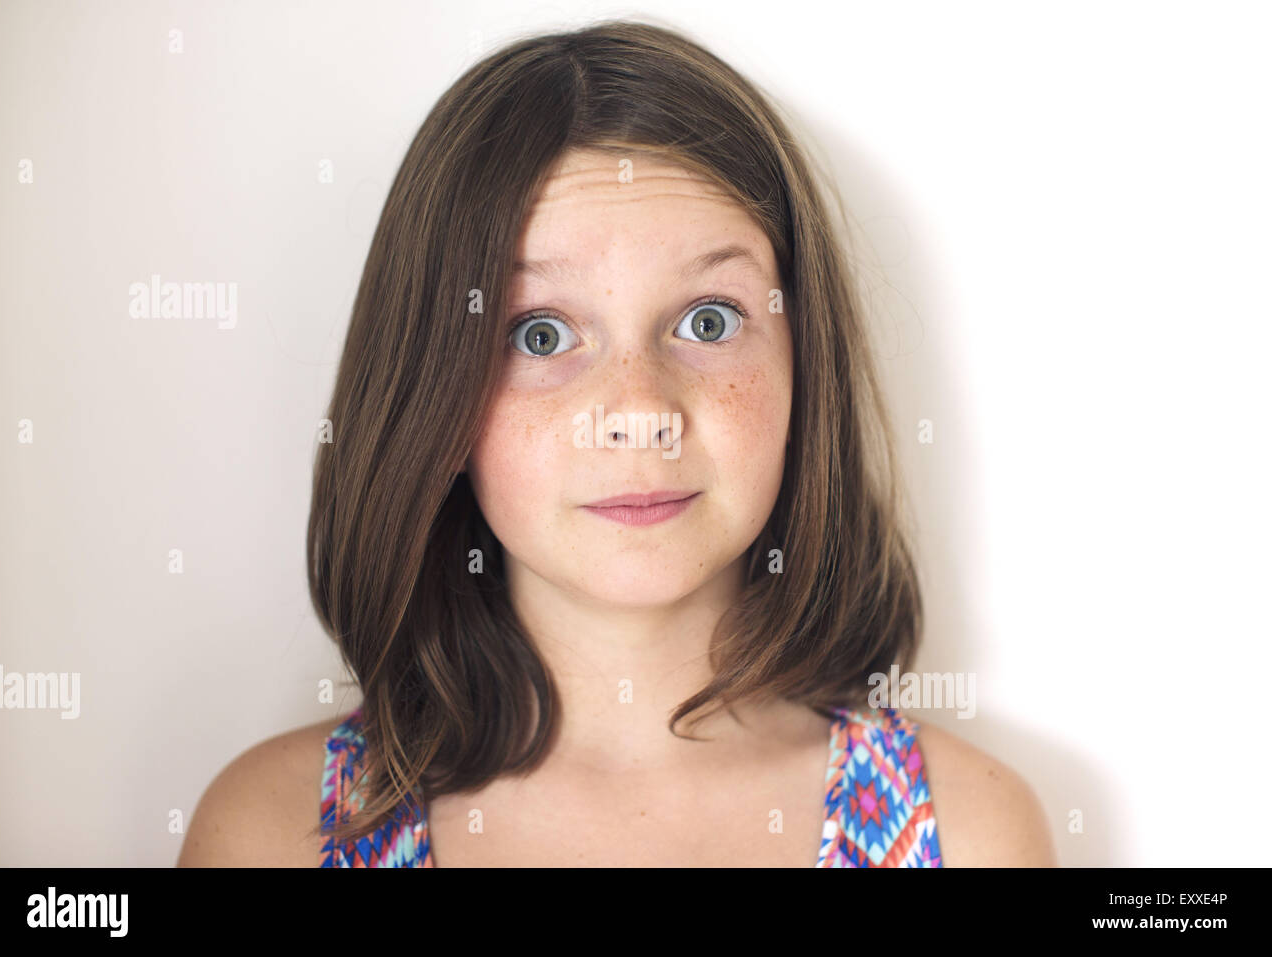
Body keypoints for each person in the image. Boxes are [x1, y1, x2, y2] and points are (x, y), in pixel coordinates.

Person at [178, 18, 1055, 868]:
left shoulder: (972, 835)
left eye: (709, 320)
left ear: (805, 371)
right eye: (541, 335)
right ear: (431, 397)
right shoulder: (273, 835)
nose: (638, 410)